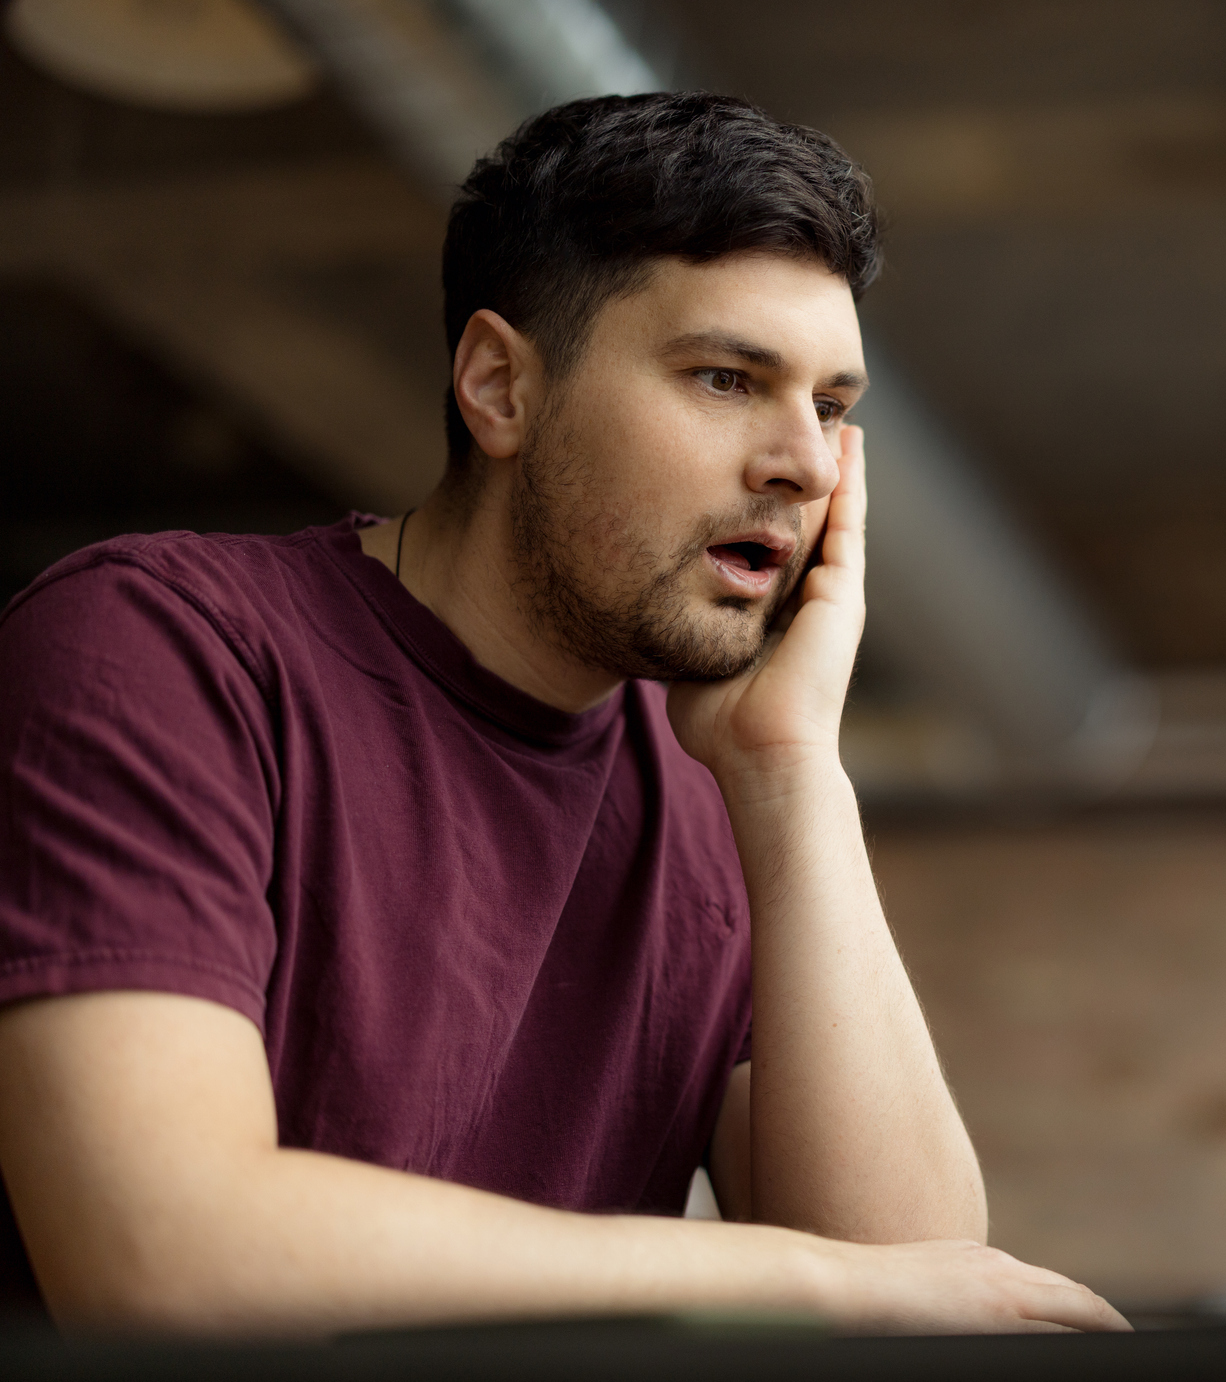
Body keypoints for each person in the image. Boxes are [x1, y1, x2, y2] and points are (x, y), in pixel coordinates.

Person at [0, 93, 1127, 1337]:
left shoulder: (712, 791)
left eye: (828, 405)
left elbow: (921, 1299)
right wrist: (804, 1279)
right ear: (499, 387)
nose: (805, 463)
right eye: (726, 378)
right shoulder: (164, 647)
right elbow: (158, 1254)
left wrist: (791, 771)